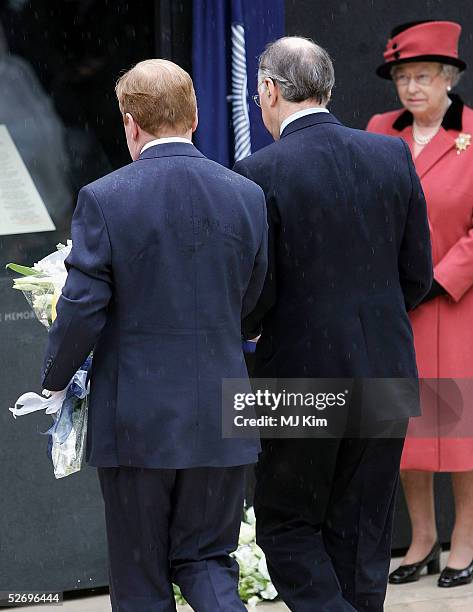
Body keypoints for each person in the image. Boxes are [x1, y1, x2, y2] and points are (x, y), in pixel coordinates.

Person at [41, 59, 268, 611]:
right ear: (194, 116)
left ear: (130, 123)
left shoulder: (105, 197)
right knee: (209, 564)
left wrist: (54, 379)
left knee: (140, 578)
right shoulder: (246, 194)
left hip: (137, 421)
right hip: (222, 413)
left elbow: (82, 308)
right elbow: (254, 305)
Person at [233, 36, 432, 612]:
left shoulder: (257, 171)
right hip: (387, 369)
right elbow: (416, 274)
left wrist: (245, 323)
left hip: (297, 376)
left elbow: (257, 293)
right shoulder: (390, 154)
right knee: (364, 535)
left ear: (268, 91)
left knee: (286, 528)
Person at [367, 20, 473, 589]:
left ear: (449, 78)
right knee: (405, 428)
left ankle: (465, 542)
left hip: (457, 306)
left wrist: (439, 276)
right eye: (403, 77)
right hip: (396, 305)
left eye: (422, 76)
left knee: (458, 428)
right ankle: (424, 540)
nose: (411, 88)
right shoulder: (380, 130)